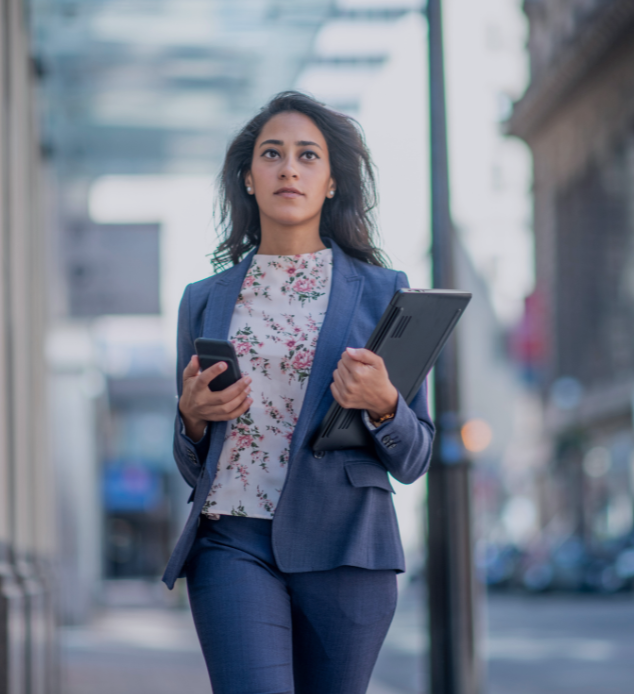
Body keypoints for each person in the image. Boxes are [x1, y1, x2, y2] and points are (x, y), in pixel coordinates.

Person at [161, 91, 434, 694]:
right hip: (232, 540)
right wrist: (192, 420)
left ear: (332, 181)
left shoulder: (384, 291)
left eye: (308, 156)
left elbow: (414, 457)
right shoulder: (203, 299)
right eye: (272, 155)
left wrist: (385, 403)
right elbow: (188, 461)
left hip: (347, 547)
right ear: (249, 179)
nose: (289, 168)